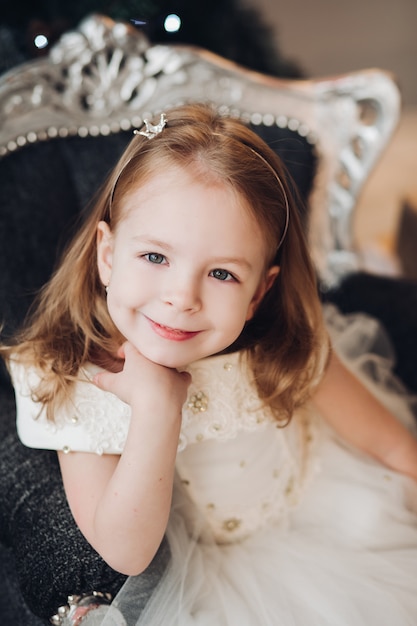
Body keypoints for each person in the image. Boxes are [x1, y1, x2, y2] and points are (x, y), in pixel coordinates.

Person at [3, 103, 417, 626]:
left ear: (259, 291)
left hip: (330, 526)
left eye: (221, 274)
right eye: (155, 257)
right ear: (107, 255)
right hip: (204, 581)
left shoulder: (285, 347)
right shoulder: (71, 374)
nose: (181, 297)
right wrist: (156, 405)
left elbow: (394, 448)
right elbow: (125, 553)